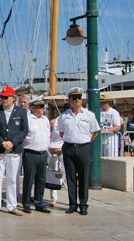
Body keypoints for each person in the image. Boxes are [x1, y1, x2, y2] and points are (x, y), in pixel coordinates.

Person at [57, 87, 100, 215]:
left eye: (79, 98)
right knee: (70, 177)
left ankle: (83, 204)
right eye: (74, 98)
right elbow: (61, 132)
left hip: (84, 148)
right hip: (69, 147)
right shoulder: (64, 116)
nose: (77, 100)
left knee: (83, 177)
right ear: (69, 100)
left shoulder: (89, 115)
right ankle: (72, 204)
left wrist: (85, 142)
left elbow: (94, 132)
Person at [0, 87, 28, 217]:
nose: (4, 100)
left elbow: (24, 130)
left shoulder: (21, 111)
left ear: (13, 98)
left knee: (13, 178)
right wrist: (2, 142)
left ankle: (12, 205)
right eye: (2, 98)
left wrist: (12, 142)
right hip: (0, 150)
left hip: (14, 150)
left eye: (6, 97)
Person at [21, 98, 51, 214]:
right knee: (29, 179)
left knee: (41, 179)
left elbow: (47, 135)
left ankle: (39, 202)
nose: (43, 109)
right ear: (34, 108)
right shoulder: (28, 119)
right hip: (30, 152)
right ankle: (27, 203)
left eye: (43, 107)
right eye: (40, 107)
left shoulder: (45, 120)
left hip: (43, 153)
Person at [48, 103, 69, 207]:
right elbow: (49, 136)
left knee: (68, 174)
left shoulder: (71, 122)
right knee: (53, 173)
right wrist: (50, 147)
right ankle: (54, 198)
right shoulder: (53, 122)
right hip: (54, 149)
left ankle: (71, 197)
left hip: (66, 149)